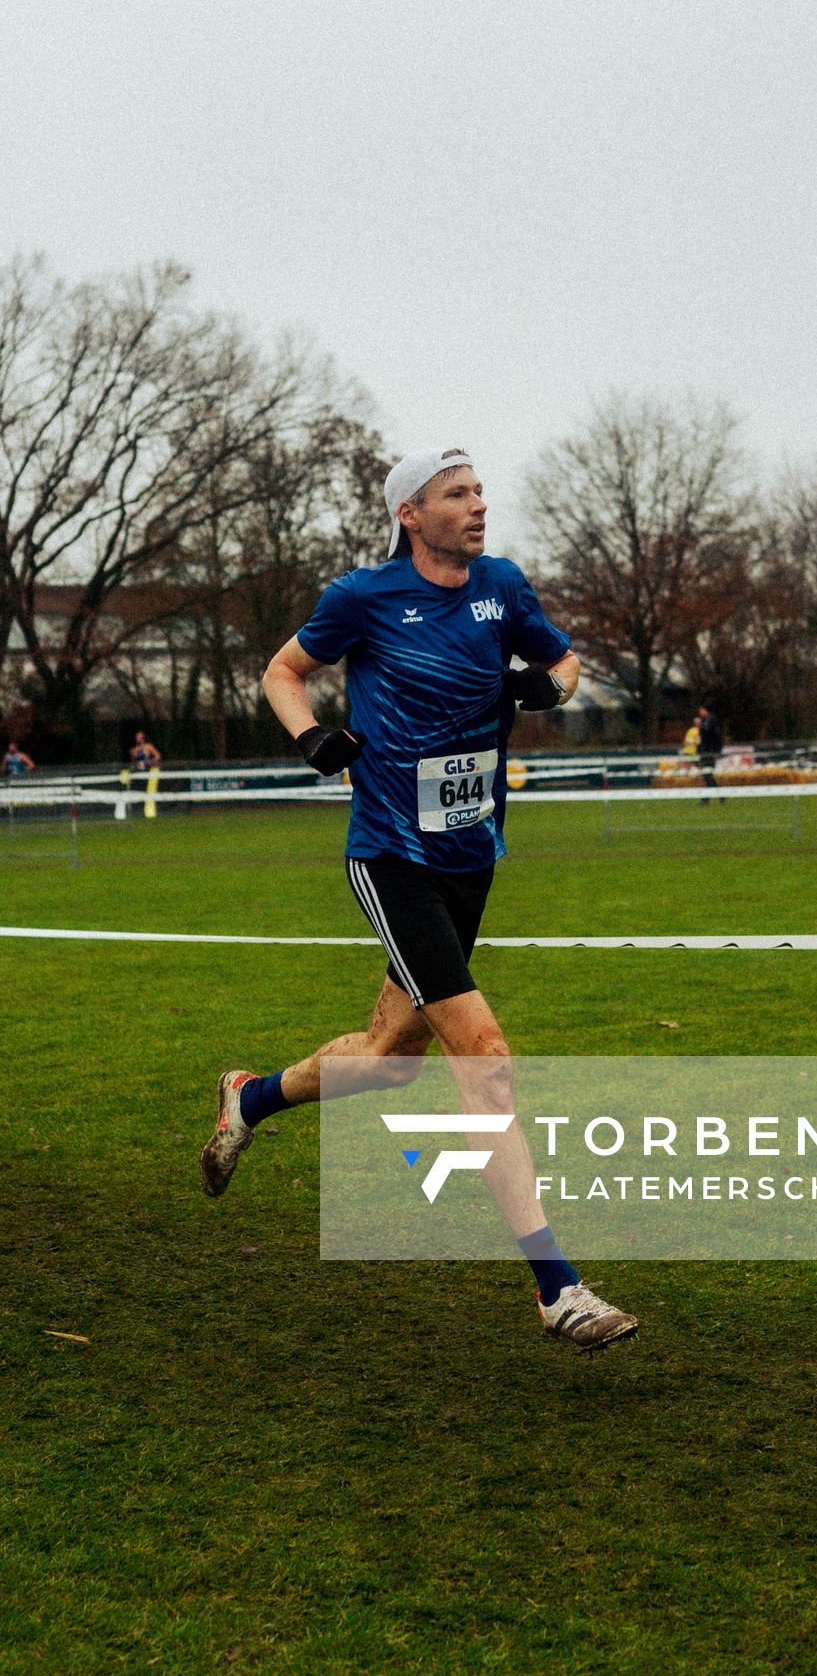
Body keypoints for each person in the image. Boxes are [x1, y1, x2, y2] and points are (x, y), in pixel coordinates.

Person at [198, 445, 637, 1350]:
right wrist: (313, 736)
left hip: (471, 856)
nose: (478, 504)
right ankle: (558, 1288)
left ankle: (251, 1098)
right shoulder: (362, 596)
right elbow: (283, 671)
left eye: (480, 488)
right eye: (456, 493)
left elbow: (565, 666)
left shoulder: (502, 586)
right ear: (410, 513)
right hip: (392, 855)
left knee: (390, 1057)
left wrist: (540, 688)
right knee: (484, 1051)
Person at [696, 703, 725, 803]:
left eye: (701, 710)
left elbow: (710, 734)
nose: (699, 712)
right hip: (706, 751)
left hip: (708, 751)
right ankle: (710, 798)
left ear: (705, 710)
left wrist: (716, 751)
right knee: (707, 775)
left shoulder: (710, 720)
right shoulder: (708, 720)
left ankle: (710, 798)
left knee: (707, 775)